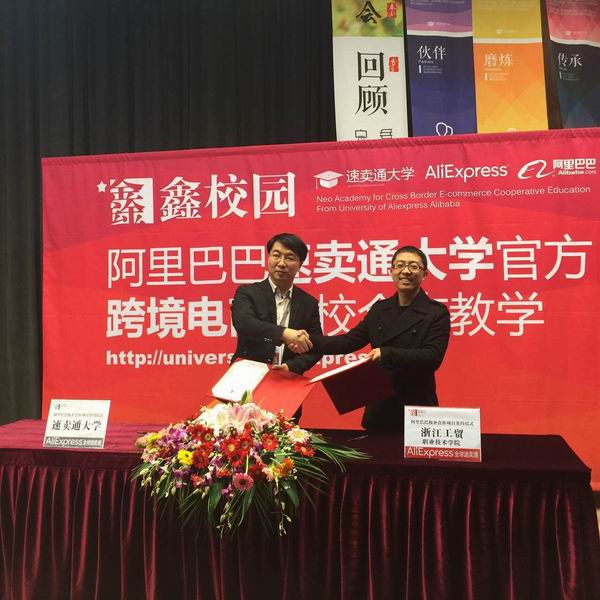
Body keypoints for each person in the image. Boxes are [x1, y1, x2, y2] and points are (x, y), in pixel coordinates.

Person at [291, 245, 450, 432]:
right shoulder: (380, 309)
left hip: (417, 407)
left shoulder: (436, 312)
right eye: (400, 265)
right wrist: (308, 340)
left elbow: (432, 357)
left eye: (413, 266)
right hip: (380, 407)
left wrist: (386, 353)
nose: (406, 271)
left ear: (424, 274)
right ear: (391, 271)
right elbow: (348, 342)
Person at [231, 232, 322, 376]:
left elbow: (316, 346)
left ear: (300, 264)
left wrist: (292, 366)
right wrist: (284, 333)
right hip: (246, 374)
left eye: (289, 258)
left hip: (286, 378)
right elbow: (244, 323)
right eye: (276, 255)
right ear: (268, 258)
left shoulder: (308, 303)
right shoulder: (247, 292)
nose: (281, 263)